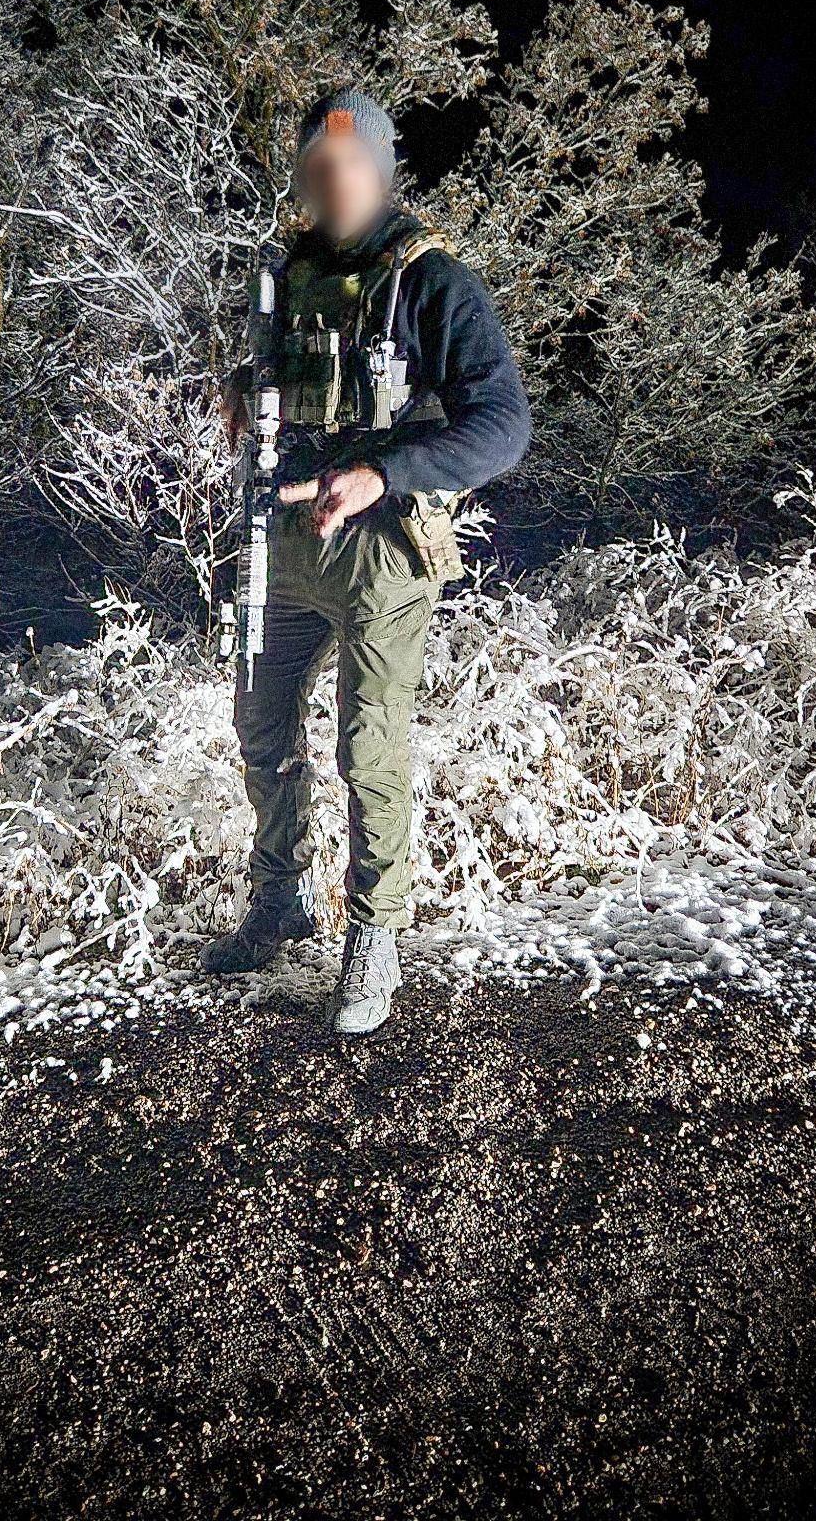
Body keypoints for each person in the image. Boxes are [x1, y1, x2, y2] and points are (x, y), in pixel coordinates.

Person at [201, 88, 532, 1034]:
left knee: (368, 749)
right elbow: (288, 372)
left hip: (382, 549)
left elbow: (504, 425)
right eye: (317, 169)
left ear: (383, 171)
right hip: (285, 539)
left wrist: (386, 475)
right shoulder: (293, 271)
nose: (330, 185)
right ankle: (278, 903)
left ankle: (374, 936)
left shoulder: (435, 283)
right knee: (261, 729)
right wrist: (242, 389)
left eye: (348, 168)